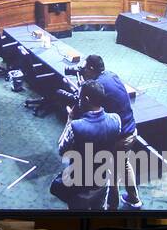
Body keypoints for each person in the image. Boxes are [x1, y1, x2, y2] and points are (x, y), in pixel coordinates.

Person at [82, 55, 141, 209]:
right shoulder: (111, 75)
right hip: (132, 130)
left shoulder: (98, 86)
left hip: (120, 137)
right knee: (124, 164)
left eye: (86, 68)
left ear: (91, 69)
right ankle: (134, 199)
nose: (84, 70)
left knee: (112, 171)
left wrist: (83, 89)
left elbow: (90, 109)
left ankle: (112, 205)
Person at [51, 82, 121, 211]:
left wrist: (70, 119)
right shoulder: (116, 119)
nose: (78, 99)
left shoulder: (76, 126)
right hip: (103, 180)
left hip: (80, 187)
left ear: (86, 99)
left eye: (79, 96)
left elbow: (62, 150)